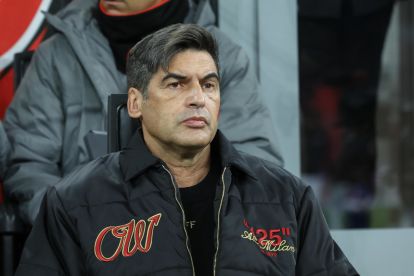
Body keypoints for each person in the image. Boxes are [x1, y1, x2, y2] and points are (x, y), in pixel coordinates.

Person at [15, 23, 358, 276]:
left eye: (209, 84)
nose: (198, 98)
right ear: (135, 103)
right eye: (176, 84)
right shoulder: (74, 202)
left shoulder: (287, 198)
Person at [3, 0, 282, 225]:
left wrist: (181, 226)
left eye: (205, 85)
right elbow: (28, 165)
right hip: (80, 256)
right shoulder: (56, 55)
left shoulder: (223, 58)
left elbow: (254, 169)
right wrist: (78, 222)